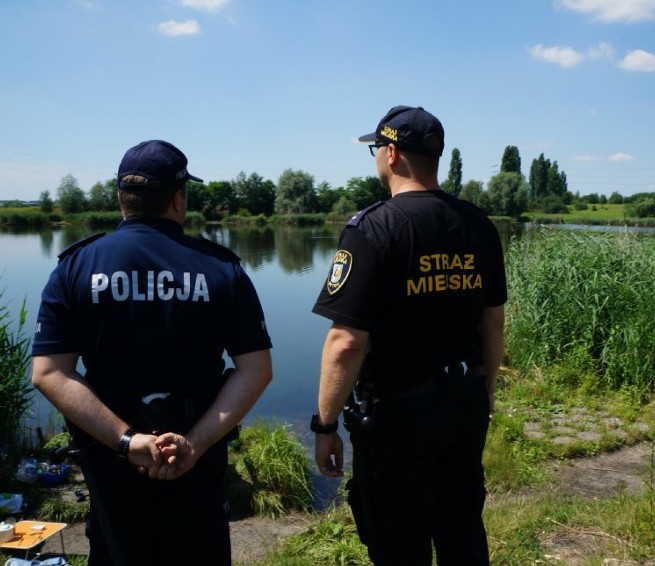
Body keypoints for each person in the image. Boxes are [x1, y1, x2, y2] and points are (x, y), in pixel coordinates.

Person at [31, 140, 273, 566]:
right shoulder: (222, 269)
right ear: (178, 199)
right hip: (196, 461)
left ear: (122, 198)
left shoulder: (75, 266)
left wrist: (129, 442)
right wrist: (194, 444)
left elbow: (49, 372)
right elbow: (255, 370)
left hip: (112, 462)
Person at [311, 106, 507, 565]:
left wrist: (324, 424)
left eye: (376, 149)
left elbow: (346, 343)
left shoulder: (373, 228)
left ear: (393, 153)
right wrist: (486, 391)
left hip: (397, 417)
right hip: (464, 401)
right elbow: (492, 323)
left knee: (399, 544)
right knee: (462, 531)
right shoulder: (478, 225)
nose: (376, 157)